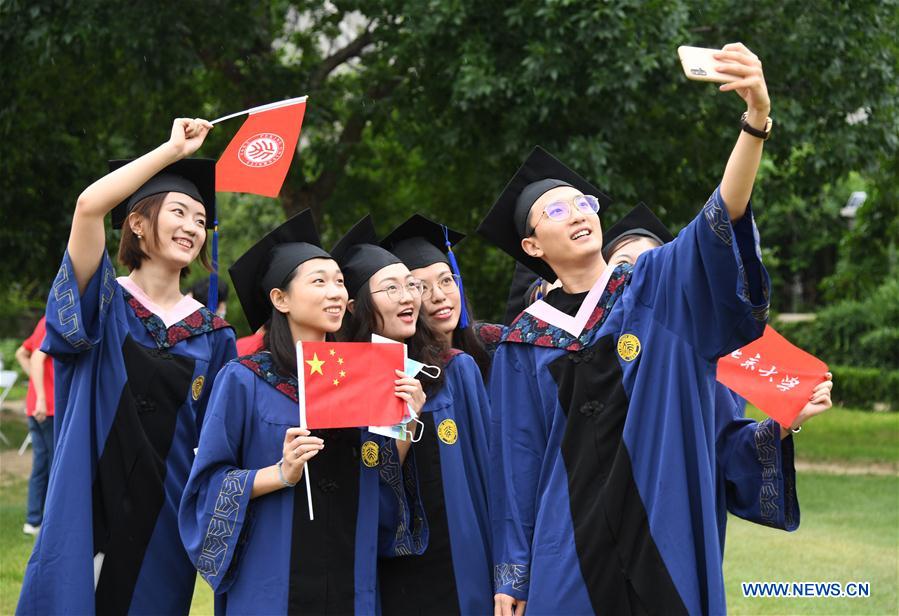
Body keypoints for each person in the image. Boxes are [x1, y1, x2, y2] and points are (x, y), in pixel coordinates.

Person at [479, 43, 775, 615]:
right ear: (533, 246)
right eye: (558, 211)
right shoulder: (523, 341)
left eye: (584, 202)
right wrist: (512, 575)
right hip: (570, 535)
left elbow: (723, 213)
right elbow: (516, 464)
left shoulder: (650, 288)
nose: (581, 212)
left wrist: (755, 121)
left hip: (658, 521)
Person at [18, 118, 237, 615]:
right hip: (87, 504)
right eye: (178, 211)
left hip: (163, 518)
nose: (192, 227)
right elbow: (88, 207)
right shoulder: (105, 302)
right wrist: (171, 150)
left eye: (201, 220)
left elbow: (219, 439)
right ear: (137, 221)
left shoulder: (213, 335)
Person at [180, 210, 426, 614]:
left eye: (340, 282)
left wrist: (404, 421)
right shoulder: (244, 380)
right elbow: (207, 485)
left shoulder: (363, 373)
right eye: (319, 281)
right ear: (281, 299)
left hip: (349, 575)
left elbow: (379, 479)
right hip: (273, 581)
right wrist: (280, 472)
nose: (336, 293)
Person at [600, 202, 834, 554]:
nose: (637, 277)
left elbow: (724, 450)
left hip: (669, 528)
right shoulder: (568, 355)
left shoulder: (697, 360)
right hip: (591, 524)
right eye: (622, 266)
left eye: (652, 266)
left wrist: (784, 424)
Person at [377, 215, 494, 613]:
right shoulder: (396, 373)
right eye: (419, 287)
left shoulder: (495, 349)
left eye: (446, 280)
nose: (439, 295)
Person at [15, 316, 55, 536]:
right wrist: (42, 395)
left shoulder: (44, 320)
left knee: (41, 465)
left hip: (37, 406)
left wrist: (35, 383)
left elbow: (22, 353)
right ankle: (45, 521)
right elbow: (38, 357)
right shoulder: (54, 319)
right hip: (47, 408)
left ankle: (33, 521)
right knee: (53, 465)